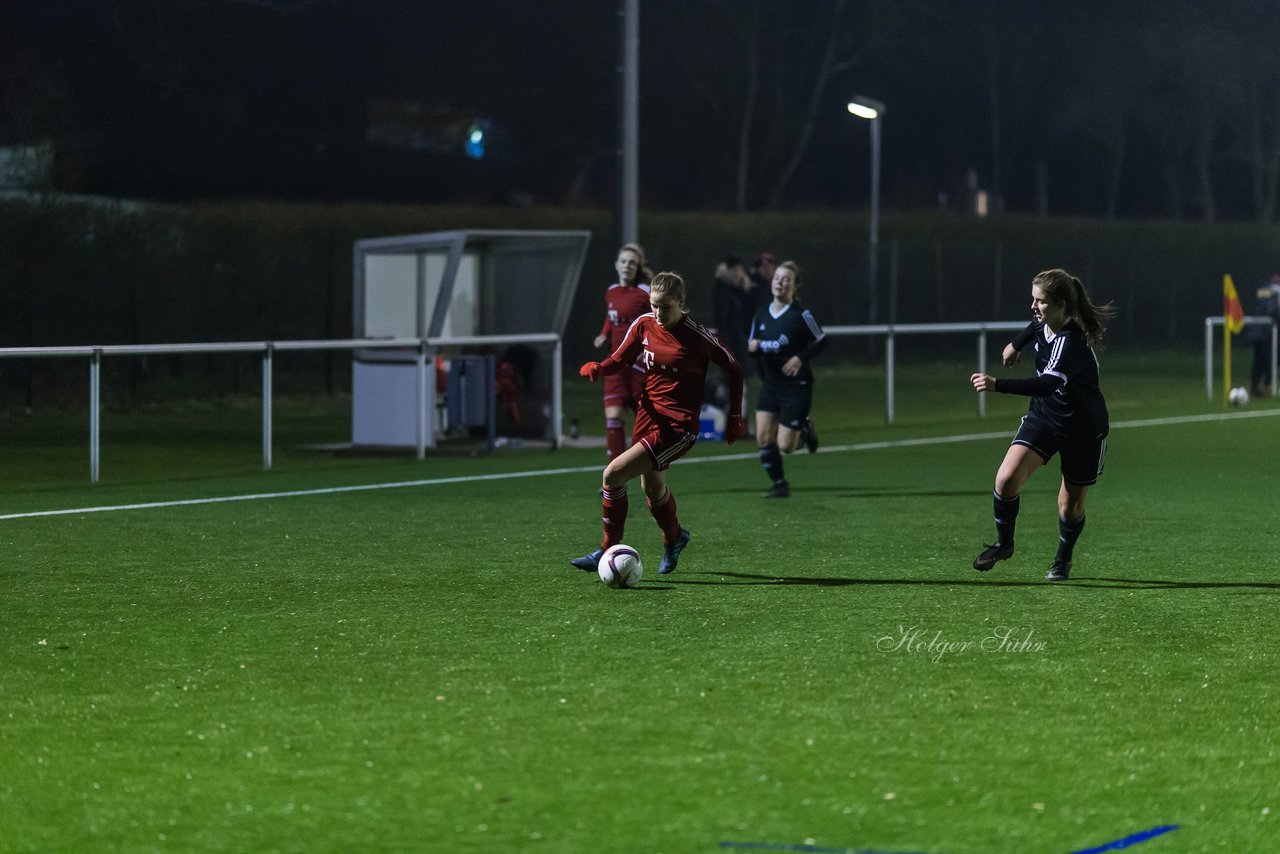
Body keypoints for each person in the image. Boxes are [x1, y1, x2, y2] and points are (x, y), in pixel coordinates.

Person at [570, 272, 746, 575]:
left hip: (678, 427)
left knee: (612, 475)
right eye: (654, 306)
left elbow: (734, 368)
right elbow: (620, 358)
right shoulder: (644, 325)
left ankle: (606, 549)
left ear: (681, 303)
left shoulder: (697, 336)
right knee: (652, 486)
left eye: (665, 306)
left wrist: (734, 417)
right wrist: (600, 367)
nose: (659, 313)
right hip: (647, 416)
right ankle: (675, 537)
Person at [969, 268, 1115, 582]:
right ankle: (1004, 544)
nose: (1034, 307)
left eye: (1041, 302)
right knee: (1006, 480)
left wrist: (998, 385)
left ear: (1061, 305)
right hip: (1046, 418)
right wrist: (1015, 345)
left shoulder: (1070, 340)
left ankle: (1063, 559)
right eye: (1033, 299)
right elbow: (1033, 327)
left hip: (1083, 429)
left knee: (1069, 506)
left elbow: (1048, 384)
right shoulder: (1045, 321)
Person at [747, 260, 827, 498]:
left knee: (786, 446)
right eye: (777, 278)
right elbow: (752, 347)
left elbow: (823, 341)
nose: (779, 283)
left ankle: (805, 429)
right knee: (762, 437)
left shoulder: (801, 315)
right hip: (771, 384)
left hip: (796, 386)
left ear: (794, 286)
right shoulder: (761, 314)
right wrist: (754, 348)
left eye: (786, 280)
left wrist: (800, 358)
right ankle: (780, 483)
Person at [593, 243, 654, 460]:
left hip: (638, 365)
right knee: (614, 415)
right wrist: (603, 334)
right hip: (615, 362)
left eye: (632, 263)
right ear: (617, 265)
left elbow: (654, 324)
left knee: (645, 421)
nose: (627, 266)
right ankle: (615, 474)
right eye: (624, 261)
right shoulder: (611, 292)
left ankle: (648, 465)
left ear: (637, 267)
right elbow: (611, 319)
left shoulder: (645, 293)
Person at [710, 253, 753, 408]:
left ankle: (740, 424)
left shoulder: (735, 292)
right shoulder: (722, 292)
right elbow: (722, 322)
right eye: (736, 270)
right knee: (731, 387)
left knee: (738, 387)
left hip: (738, 346)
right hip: (731, 347)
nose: (739, 274)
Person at [1247, 274, 1280, 398]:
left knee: (1259, 361)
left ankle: (1255, 387)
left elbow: (1260, 298)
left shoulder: (1264, 289)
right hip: (1267, 331)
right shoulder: (1274, 291)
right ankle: (1265, 386)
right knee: (1268, 360)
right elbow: (1273, 311)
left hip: (1257, 331)